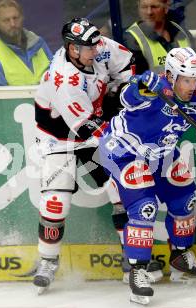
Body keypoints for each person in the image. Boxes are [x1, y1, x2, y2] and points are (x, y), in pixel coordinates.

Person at [99, 47, 196, 305]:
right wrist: (140, 86)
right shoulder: (155, 88)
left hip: (162, 153)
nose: (192, 86)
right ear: (171, 76)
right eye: (186, 80)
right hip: (125, 151)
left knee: (184, 197)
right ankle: (138, 271)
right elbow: (127, 98)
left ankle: (180, 256)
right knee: (145, 207)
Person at [32, 17, 136, 293]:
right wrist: (123, 135)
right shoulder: (64, 78)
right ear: (72, 49)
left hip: (92, 127)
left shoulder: (97, 47)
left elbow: (126, 65)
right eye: (88, 47)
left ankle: (134, 258)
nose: (96, 49)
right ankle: (47, 261)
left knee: (121, 190)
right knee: (56, 201)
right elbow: (85, 127)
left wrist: (126, 90)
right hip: (60, 138)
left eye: (94, 43)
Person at [0, 0, 53, 86]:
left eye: (15, 18)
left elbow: (58, 78)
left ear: (22, 17)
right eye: (6, 20)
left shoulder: (38, 43)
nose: (12, 24)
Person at [124, 0, 195, 74]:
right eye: (144, 7)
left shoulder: (181, 32)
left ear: (166, 7)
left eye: (154, 7)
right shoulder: (132, 38)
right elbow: (135, 80)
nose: (149, 12)